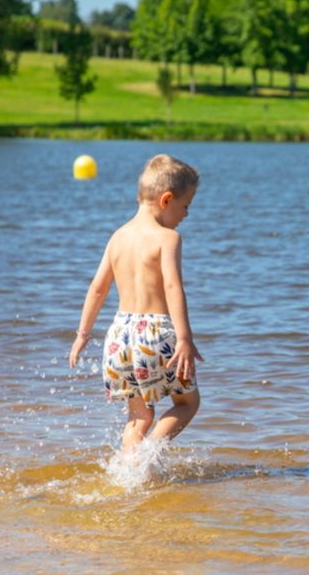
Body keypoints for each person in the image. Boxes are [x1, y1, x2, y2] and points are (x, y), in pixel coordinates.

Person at [68, 153, 204, 451]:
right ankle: (149, 455)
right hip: (155, 332)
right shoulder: (168, 238)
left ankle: (129, 469)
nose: (186, 215)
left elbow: (97, 288)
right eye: (186, 206)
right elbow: (172, 286)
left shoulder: (118, 236)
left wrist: (82, 335)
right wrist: (184, 337)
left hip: (118, 336)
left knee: (138, 416)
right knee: (187, 403)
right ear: (167, 200)